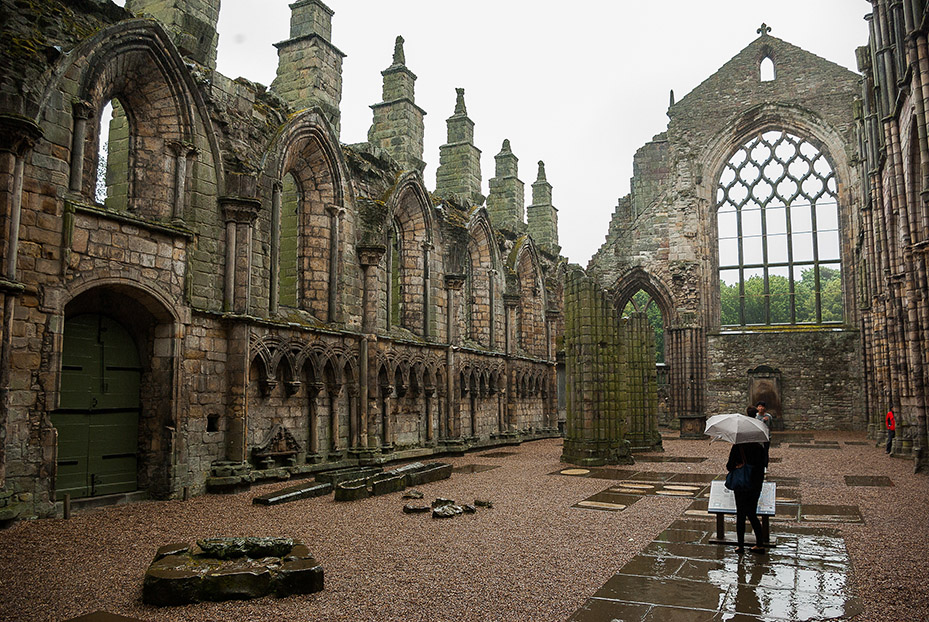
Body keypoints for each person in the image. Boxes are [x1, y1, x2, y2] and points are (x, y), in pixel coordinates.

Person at [726, 432, 768, 554]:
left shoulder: (738, 447)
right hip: (755, 485)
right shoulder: (759, 447)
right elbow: (763, 465)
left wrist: (737, 466)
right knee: (752, 514)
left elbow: (729, 466)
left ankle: (740, 545)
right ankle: (759, 544)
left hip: (741, 485)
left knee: (741, 514)